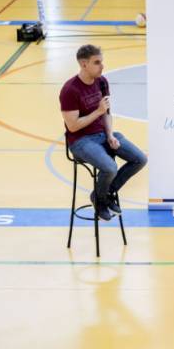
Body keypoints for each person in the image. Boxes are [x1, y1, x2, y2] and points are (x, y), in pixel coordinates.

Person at [60, 44, 147, 220]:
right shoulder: (70, 90)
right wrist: (97, 112)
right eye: (97, 62)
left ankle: (104, 194)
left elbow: (106, 113)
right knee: (110, 168)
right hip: (81, 141)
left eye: (101, 61)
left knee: (140, 159)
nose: (102, 66)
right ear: (84, 64)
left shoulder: (101, 82)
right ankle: (101, 202)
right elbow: (73, 126)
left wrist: (110, 135)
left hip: (102, 135)